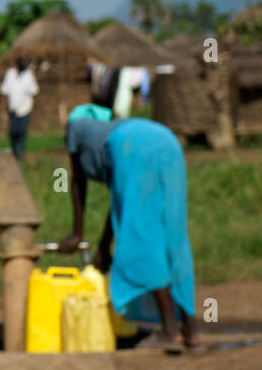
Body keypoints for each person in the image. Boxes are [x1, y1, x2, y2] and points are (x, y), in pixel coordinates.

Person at [58, 81, 200, 352]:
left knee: (143, 239)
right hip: (166, 139)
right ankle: (191, 331)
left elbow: (77, 183)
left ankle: (170, 331)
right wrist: (102, 246)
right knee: (174, 235)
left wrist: (77, 234)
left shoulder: (75, 127)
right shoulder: (108, 125)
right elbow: (123, 204)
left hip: (132, 147)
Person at [0, 56, 38, 160]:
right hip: (13, 110)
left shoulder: (29, 75)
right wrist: (5, 108)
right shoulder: (10, 74)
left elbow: (35, 90)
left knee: (22, 132)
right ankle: (14, 153)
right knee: (13, 132)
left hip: (25, 109)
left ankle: (20, 154)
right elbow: (4, 90)